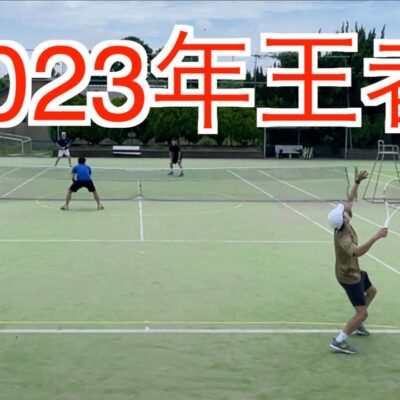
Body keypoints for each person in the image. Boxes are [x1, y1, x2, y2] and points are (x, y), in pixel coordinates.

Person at [327, 170, 388, 354]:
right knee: (362, 312)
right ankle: (339, 341)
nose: (346, 211)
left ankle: (357, 323)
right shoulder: (343, 239)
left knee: (372, 291)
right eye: (343, 213)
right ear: (343, 220)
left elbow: (350, 199)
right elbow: (358, 252)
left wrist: (357, 182)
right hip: (348, 276)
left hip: (354, 270)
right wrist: (377, 236)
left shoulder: (343, 222)